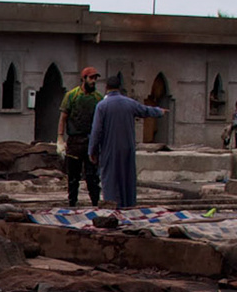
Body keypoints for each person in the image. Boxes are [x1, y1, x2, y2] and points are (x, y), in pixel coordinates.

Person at [87, 85, 167, 209]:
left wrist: (92, 151)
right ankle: (128, 208)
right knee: (127, 179)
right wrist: (159, 111)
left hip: (109, 149)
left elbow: (96, 131)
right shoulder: (129, 103)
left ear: (106, 88)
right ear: (119, 89)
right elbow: (145, 110)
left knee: (111, 180)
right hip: (127, 149)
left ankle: (112, 209)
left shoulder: (102, 106)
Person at [59, 66, 104, 207]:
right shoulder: (72, 95)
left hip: (91, 142)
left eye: (95, 78)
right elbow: (63, 117)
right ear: (83, 79)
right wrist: (60, 138)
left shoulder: (98, 98)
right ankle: (72, 203)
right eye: (91, 78)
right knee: (73, 176)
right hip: (74, 142)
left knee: (92, 176)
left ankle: (95, 203)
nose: (93, 81)